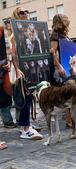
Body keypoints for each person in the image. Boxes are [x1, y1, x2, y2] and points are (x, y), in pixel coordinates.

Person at [10, 7, 43, 139]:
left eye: (26, 11)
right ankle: (25, 129)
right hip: (21, 70)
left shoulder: (31, 33)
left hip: (31, 69)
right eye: (21, 12)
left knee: (29, 96)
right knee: (25, 97)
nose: (25, 14)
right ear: (16, 16)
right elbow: (13, 54)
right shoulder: (15, 34)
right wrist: (17, 69)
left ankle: (25, 124)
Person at [50, 14, 72, 128]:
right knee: (68, 92)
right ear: (60, 21)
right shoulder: (55, 35)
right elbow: (52, 52)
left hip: (67, 67)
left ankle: (71, 119)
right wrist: (59, 67)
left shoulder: (64, 35)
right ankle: (69, 121)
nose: (68, 20)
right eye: (65, 18)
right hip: (61, 68)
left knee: (70, 92)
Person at [0, 26, 17, 128]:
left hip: (3, 70)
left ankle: (8, 121)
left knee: (5, 96)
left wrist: (8, 61)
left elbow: (7, 50)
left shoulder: (1, 30)